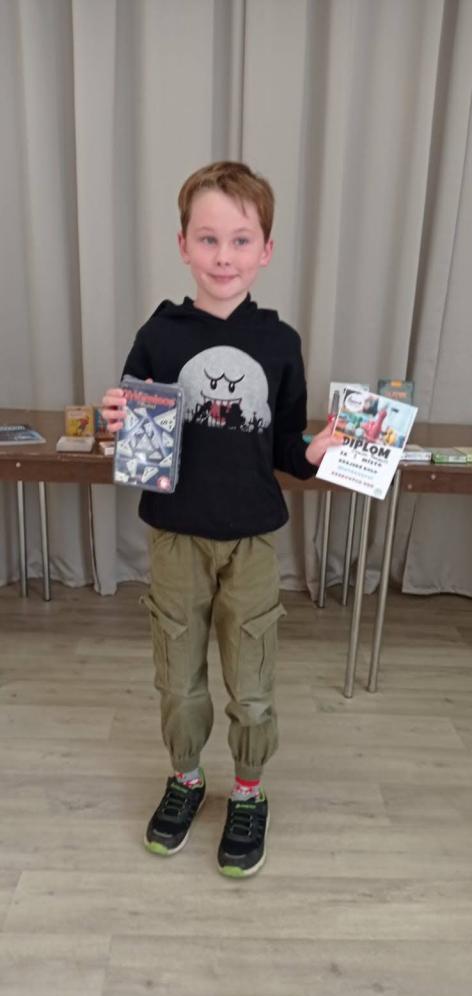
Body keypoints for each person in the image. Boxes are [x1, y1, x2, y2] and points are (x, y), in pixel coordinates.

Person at [101, 161, 340, 878]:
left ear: (266, 249)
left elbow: (286, 448)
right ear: (183, 246)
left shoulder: (280, 343)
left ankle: (247, 791)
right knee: (178, 677)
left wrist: (316, 451)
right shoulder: (159, 334)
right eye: (208, 239)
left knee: (252, 681)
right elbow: (137, 436)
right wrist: (116, 421)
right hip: (175, 536)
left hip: (253, 540)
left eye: (241, 240)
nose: (224, 256)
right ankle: (185, 778)